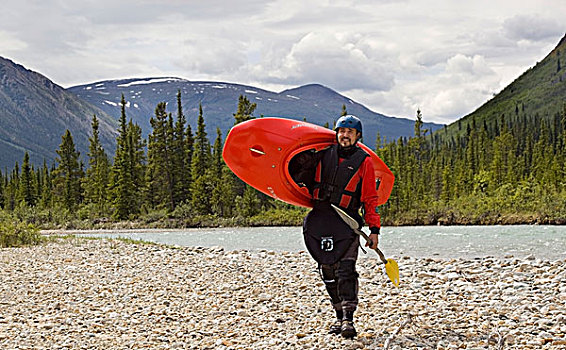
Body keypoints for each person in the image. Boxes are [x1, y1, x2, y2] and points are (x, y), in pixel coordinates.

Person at [293, 115, 381, 339]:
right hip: (321, 218)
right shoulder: (323, 155)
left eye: (350, 132)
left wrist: (374, 230)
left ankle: (349, 321)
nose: (345, 135)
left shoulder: (365, 162)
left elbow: (370, 198)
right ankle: (338, 316)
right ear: (336, 134)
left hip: (347, 220)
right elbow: (297, 170)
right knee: (327, 271)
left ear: (358, 136)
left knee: (345, 271)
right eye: (341, 131)